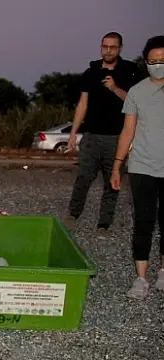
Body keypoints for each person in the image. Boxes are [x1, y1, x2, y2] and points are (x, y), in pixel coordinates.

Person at [64, 31, 147, 236]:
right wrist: (74, 132)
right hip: (91, 135)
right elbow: (82, 103)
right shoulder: (90, 72)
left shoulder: (131, 71)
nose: (107, 51)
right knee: (83, 176)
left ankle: (103, 224)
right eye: (104, 47)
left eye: (112, 47)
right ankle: (73, 214)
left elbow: (136, 102)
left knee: (113, 182)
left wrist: (115, 88)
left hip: (117, 137)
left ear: (119, 48)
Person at [110, 35, 164, 300]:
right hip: (142, 166)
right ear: (146, 61)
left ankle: (163, 272)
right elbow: (128, 130)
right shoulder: (137, 92)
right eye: (153, 61)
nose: (157, 66)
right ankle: (141, 278)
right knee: (143, 222)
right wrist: (117, 166)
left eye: (162, 61)